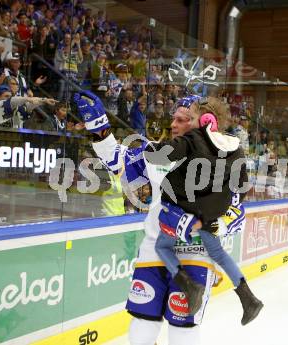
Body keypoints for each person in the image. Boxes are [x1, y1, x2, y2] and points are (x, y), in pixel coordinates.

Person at [73, 90, 252, 345]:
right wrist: (99, 128)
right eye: (174, 118)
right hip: (154, 250)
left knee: (183, 330)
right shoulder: (161, 152)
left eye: (183, 119)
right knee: (141, 328)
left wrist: (208, 225)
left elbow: (236, 213)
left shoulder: (226, 158)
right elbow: (118, 161)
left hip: (195, 253)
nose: (173, 124)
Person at [148, 95, 263, 325]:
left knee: (162, 245)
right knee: (218, 252)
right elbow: (240, 190)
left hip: (184, 208)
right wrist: (216, 215)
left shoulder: (193, 139)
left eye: (190, 118)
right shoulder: (235, 147)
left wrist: (150, 147)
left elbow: (161, 155)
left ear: (204, 119)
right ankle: (247, 297)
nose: (186, 123)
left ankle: (189, 286)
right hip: (209, 213)